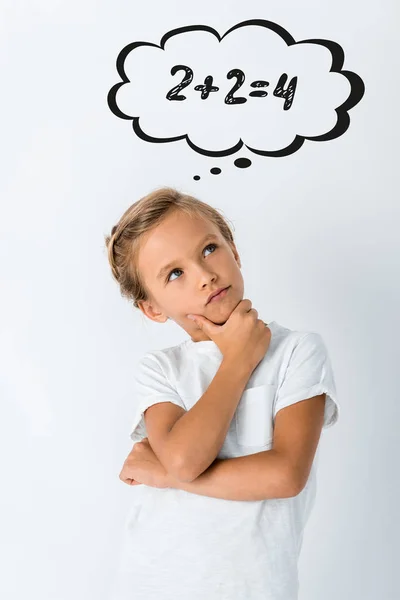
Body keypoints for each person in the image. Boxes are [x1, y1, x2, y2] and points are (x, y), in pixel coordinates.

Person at [104, 186, 340, 600]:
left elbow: (285, 475)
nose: (204, 275)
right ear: (153, 308)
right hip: (153, 583)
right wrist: (238, 361)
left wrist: (164, 475)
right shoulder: (161, 370)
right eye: (174, 274)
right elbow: (184, 458)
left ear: (233, 249)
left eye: (209, 249)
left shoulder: (298, 352)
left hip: (256, 589)